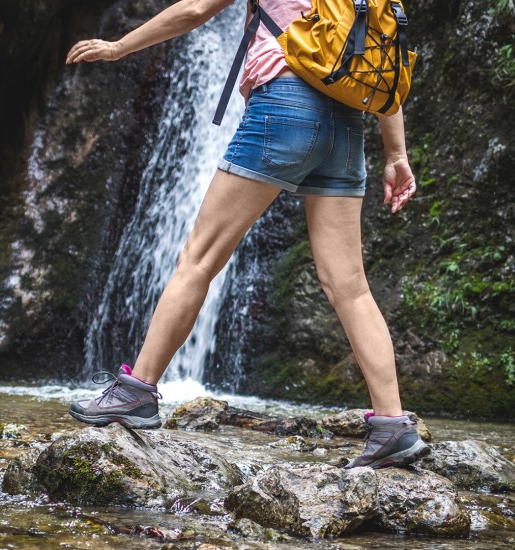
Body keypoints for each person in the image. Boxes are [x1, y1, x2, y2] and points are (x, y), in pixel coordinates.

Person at [65, 0, 429, 469]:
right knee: (350, 287)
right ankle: (392, 425)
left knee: (200, 257)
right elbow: (384, 54)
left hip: (284, 104)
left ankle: (136, 392)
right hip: (347, 124)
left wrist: (119, 47)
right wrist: (396, 153)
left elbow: (195, 9)